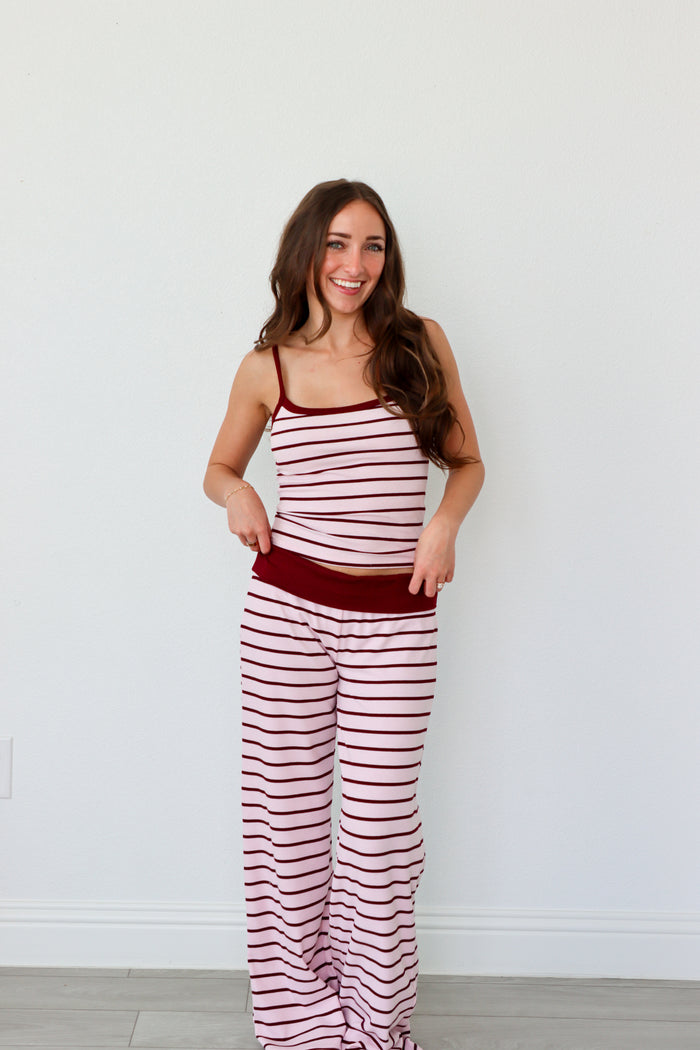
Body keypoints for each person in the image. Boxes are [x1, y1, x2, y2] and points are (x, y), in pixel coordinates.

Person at [204, 179, 484, 1050]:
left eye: (371, 246)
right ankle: (299, 1020)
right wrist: (237, 493)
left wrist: (441, 525)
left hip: (395, 615)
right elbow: (216, 467)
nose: (353, 263)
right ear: (306, 253)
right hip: (287, 609)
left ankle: (376, 1025)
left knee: (377, 827)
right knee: (283, 816)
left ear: (386, 260)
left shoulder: (419, 344)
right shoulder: (268, 366)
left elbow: (468, 464)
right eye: (335, 243)